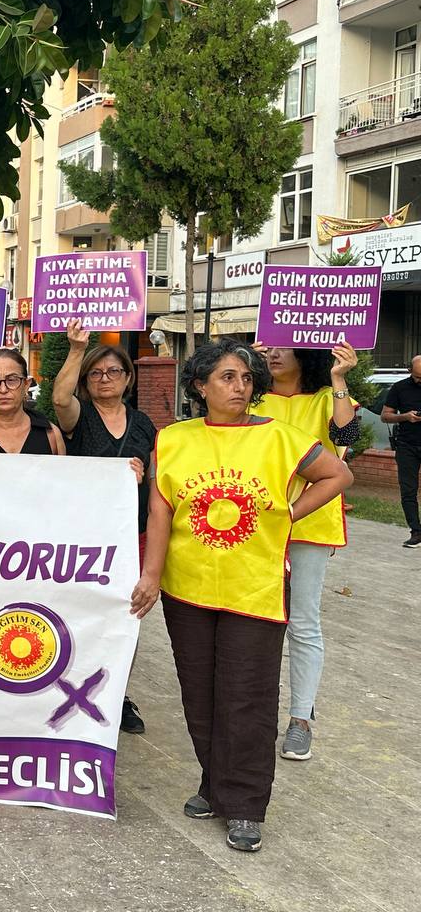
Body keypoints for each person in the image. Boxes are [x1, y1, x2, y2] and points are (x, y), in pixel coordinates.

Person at [131, 339, 352, 853]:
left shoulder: (280, 438)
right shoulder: (174, 438)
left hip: (255, 589)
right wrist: (151, 576)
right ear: (199, 386)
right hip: (188, 589)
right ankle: (214, 785)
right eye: (227, 377)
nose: (239, 386)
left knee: (247, 697)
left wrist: (288, 514)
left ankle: (247, 805)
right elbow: (161, 510)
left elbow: (338, 474)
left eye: (247, 378)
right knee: (200, 693)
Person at [252, 342, 361, 760]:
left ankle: (300, 719)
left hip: (310, 523)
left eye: (285, 347)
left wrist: (339, 378)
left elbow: (347, 437)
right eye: (269, 346)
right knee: (254, 619)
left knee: (303, 622)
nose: (274, 354)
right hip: (254, 522)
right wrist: (243, 363)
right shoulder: (253, 396)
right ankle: (251, 713)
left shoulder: (326, 397)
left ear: (306, 353)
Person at [52, 321, 156, 734]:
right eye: (95, 373)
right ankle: (71, 689)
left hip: (132, 536)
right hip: (85, 536)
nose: (105, 379)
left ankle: (117, 694)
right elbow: (60, 399)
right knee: (82, 614)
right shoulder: (80, 417)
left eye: (114, 371)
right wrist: (77, 350)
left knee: (124, 617)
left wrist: (141, 476)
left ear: (128, 378)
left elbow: (156, 481)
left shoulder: (144, 424)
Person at [382, 354, 421, 548]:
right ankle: (416, 531)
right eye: (418, 377)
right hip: (407, 446)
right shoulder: (399, 388)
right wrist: (405, 416)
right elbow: (385, 416)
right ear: (410, 371)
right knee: (408, 490)